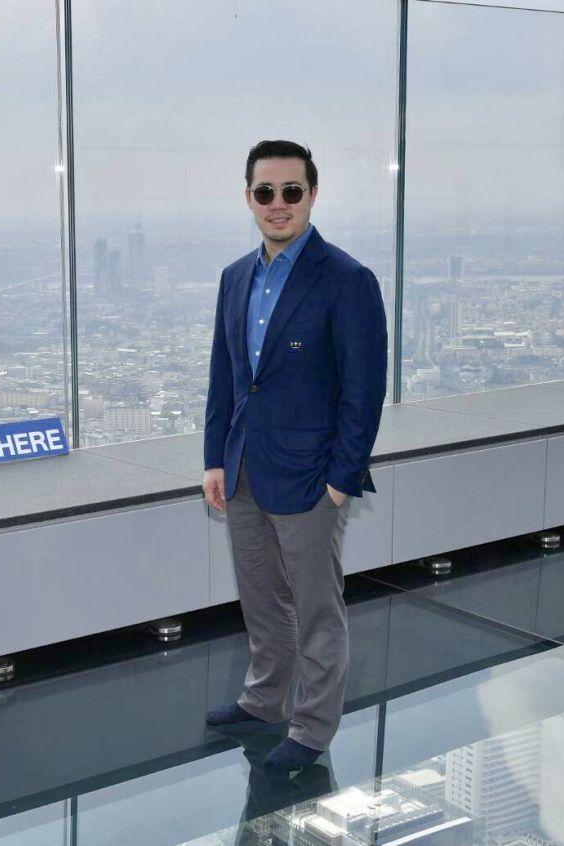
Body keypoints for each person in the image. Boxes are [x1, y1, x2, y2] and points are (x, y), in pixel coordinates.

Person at [202, 139, 387, 773]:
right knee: (260, 598)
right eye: (265, 192)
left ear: (312, 195)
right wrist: (215, 459)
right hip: (244, 468)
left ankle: (311, 729)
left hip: (312, 478)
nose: (277, 204)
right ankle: (264, 701)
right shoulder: (235, 277)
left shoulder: (347, 279)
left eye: (291, 191)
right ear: (248, 198)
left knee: (316, 610)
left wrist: (340, 482)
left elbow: (364, 392)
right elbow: (225, 379)